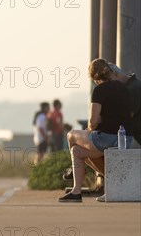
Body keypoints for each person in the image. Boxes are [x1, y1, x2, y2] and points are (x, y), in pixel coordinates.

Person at [59, 59, 133, 203]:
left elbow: (92, 122)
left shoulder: (99, 90)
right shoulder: (123, 87)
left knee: (71, 136)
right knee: (77, 151)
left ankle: (74, 170)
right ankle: (76, 192)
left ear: (95, 78)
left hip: (106, 138)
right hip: (126, 138)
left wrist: (91, 128)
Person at [109, 63, 141, 147]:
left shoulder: (132, 89)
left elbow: (127, 116)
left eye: (110, 82)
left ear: (115, 74)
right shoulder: (133, 86)